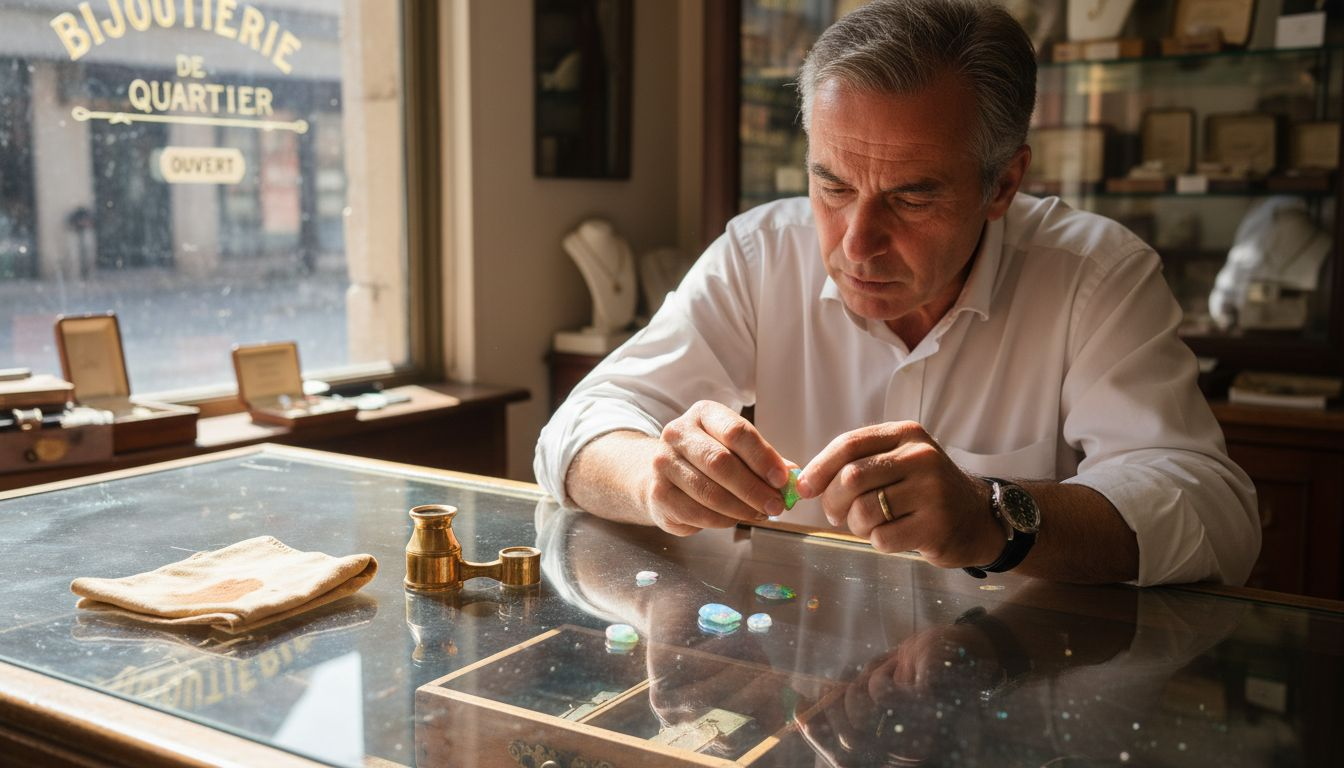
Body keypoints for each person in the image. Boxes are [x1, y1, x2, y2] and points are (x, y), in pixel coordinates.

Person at [534, 0, 1259, 586]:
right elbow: (578, 429)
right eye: (833, 187)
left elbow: (1215, 516)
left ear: (1003, 183)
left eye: (911, 198)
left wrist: (994, 517)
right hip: (798, 686)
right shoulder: (762, 253)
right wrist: (657, 479)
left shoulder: (1093, 275)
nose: (856, 244)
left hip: (1017, 677)